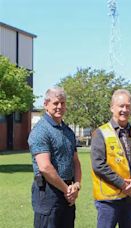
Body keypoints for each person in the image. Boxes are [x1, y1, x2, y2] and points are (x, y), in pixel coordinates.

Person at [90, 89, 131, 228]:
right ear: (112, 108)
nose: (125, 109)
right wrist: (123, 185)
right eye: (121, 106)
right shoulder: (101, 133)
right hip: (108, 200)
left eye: (128, 106)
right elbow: (98, 165)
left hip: (130, 199)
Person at [28, 87, 82, 228]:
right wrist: (67, 190)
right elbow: (45, 167)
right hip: (48, 195)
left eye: (63, 103)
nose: (60, 107)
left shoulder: (68, 131)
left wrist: (76, 185)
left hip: (68, 193)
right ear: (46, 104)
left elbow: (75, 161)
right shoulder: (40, 130)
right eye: (56, 103)